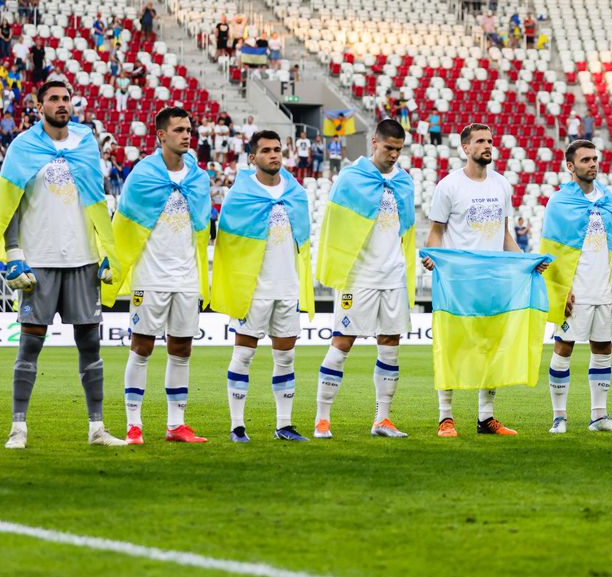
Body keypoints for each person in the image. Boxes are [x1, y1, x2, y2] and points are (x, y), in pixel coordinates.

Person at [0, 80, 126, 449]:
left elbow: (96, 199)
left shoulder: (85, 144)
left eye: (66, 99)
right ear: (38, 104)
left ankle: (97, 428)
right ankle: (18, 428)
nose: (62, 105)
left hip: (82, 260)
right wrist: (13, 254)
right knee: (30, 345)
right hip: (39, 262)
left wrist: (105, 248)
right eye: (54, 99)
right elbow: (8, 202)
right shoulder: (23, 147)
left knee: (90, 343)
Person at [423, 123, 528, 436]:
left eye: (490, 141)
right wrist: (433, 256)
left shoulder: (501, 185)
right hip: (458, 281)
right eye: (480, 141)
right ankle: (446, 417)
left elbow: (504, 232)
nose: (487, 146)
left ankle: (486, 418)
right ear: (465, 148)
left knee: (491, 348)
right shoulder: (449, 186)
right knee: (454, 347)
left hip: (494, 280)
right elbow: (436, 231)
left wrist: (523, 262)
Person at [312, 119, 414, 439]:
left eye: (399, 150)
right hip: (358, 276)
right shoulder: (351, 178)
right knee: (342, 343)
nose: (394, 155)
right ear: (374, 142)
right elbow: (335, 226)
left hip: (393, 275)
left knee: (390, 345)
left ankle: (382, 419)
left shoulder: (404, 181)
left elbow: (406, 230)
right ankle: (322, 418)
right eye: (388, 148)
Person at [115, 107, 211, 446]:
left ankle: (176, 425)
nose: (187, 135)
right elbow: (123, 224)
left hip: (186, 277)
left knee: (182, 349)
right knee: (142, 347)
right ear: (161, 135)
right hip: (151, 276)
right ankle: (133, 424)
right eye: (180, 130)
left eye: (189, 129)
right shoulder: (142, 175)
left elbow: (202, 229)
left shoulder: (200, 179)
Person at [213, 130, 313, 442]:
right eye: (266, 150)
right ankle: (237, 426)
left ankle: (284, 424)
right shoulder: (241, 193)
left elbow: (304, 241)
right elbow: (227, 241)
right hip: (253, 289)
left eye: (278, 149)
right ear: (252, 157)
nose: (274, 155)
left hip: (287, 287)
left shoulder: (295, 192)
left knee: (286, 357)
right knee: (243, 355)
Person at [540, 140, 612, 434]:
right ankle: (559, 416)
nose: (593, 164)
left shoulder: (608, 199)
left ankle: (599, 416)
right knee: (564, 347)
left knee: (603, 348)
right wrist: (560, 289)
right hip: (574, 289)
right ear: (570, 166)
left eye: (595, 159)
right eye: (586, 160)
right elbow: (551, 250)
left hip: (604, 288)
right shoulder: (559, 202)